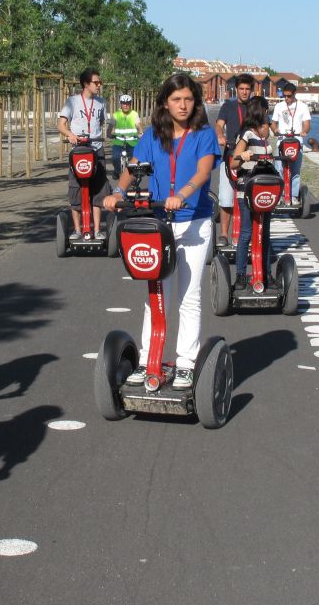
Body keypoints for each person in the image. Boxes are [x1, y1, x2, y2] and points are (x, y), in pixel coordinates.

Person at [103, 73, 220, 390]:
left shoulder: (203, 134)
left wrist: (182, 194)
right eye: (176, 99)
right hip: (159, 224)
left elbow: (203, 171)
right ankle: (147, 360)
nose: (183, 105)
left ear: (195, 102)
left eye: (188, 99)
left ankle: (185, 363)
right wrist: (117, 192)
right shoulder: (154, 135)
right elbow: (133, 168)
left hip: (193, 222)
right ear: (165, 103)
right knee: (155, 295)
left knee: (188, 295)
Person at [230, 96, 278, 291]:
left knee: (264, 234)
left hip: (264, 192)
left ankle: (265, 273)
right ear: (263, 111)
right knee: (247, 233)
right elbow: (233, 162)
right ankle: (241, 275)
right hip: (247, 191)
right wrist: (243, 156)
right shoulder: (247, 135)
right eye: (267, 111)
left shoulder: (265, 139)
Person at [58, 67, 112, 240]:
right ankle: (77, 230)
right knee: (75, 189)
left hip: (96, 149)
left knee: (99, 189)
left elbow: (102, 122)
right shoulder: (72, 102)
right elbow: (61, 124)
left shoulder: (101, 102)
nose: (99, 85)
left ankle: (96, 230)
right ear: (86, 84)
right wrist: (70, 135)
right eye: (96, 82)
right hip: (78, 152)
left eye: (99, 82)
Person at [214, 73, 254, 246]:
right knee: (225, 197)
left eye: (247, 89)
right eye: (241, 89)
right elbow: (218, 124)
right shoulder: (228, 106)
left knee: (250, 198)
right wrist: (220, 135)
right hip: (230, 155)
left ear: (251, 90)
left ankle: (248, 235)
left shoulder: (255, 106)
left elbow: (264, 127)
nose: (244, 92)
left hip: (251, 157)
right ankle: (224, 234)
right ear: (236, 89)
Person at [270, 82, 311, 205]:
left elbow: (307, 124)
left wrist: (304, 131)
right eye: (285, 96)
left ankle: (293, 196)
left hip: (296, 142)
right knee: (279, 170)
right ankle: (281, 195)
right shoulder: (279, 106)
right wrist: (275, 130)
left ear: (294, 94)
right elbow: (273, 123)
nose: (286, 99)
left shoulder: (303, 107)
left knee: (295, 171)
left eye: (289, 96)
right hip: (282, 142)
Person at [108, 94, 143, 179]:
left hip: (132, 141)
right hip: (118, 141)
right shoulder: (116, 114)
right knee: (115, 157)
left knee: (134, 160)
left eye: (128, 103)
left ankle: (133, 176)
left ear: (130, 104)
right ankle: (117, 171)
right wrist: (108, 133)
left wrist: (141, 133)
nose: (126, 105)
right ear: (121, 104)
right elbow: (111, 125)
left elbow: (138, 125)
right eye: (124, 103)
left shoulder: (134, 114)